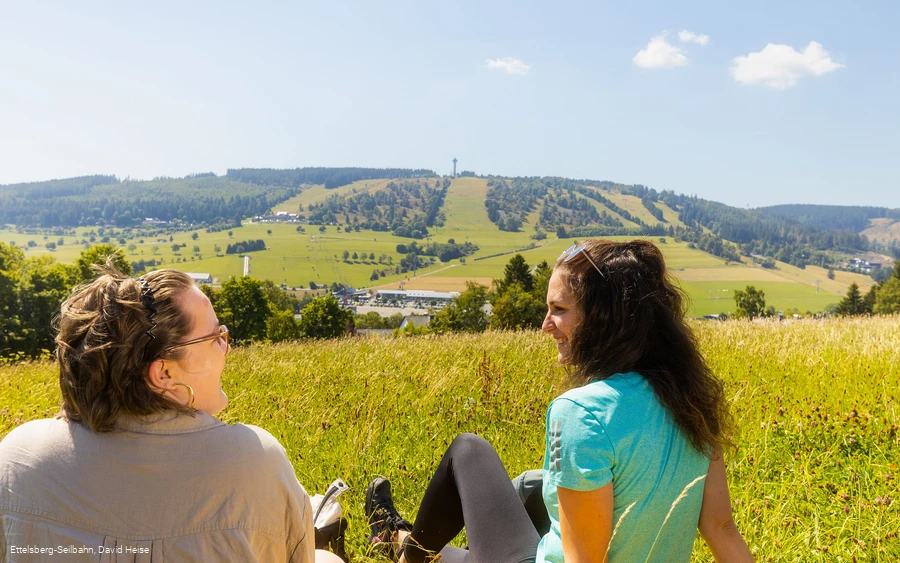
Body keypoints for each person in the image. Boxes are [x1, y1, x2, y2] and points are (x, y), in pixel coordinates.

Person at [364, 240, 753, 563]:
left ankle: (406, 555)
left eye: (560, 310)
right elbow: (721, 528)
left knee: (469, 449)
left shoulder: (582, 412)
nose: (546, 325)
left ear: (606, 318)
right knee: (526, 494)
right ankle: (396, 537)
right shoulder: (690, 400)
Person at [0, 266, 341, 562]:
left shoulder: (19, 457)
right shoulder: (255, 460)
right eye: (215, 337)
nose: (227, 346)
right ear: (163, 374)